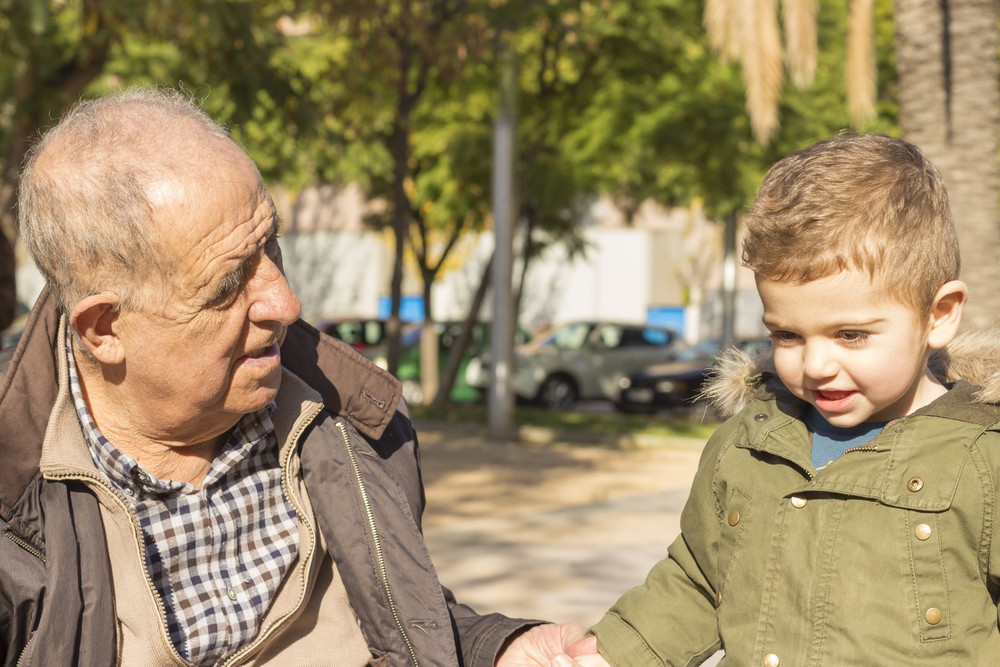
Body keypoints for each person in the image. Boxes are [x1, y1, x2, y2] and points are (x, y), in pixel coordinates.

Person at [0, 87, 588, 666]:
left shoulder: (353, 417)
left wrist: (495, 649)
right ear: (104, 329)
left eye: (271, 247)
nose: (284, 302)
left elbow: (400, 620)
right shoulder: (14, 501)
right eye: (228, 286)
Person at [565, 133, 1000, 665]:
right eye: (787, 335)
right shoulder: (750, 446)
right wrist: (611, 654)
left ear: (939, 314)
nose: (815, 365)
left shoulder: (982, 456)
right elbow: (699, 579)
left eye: (851, 335)